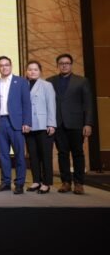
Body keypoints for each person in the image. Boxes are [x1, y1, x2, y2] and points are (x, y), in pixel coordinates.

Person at [47, 53, 93, 195]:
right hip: (58, 123)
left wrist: (88, 123)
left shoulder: (82, 81)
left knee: (78, 153)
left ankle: (79, 183)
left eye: (67, 63)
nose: (64, 65)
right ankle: (66, 182)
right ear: (58, 65)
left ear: (71, 65)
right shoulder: (50, 82)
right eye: (61, 63)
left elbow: (88, 104)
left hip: (76, 123)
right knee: (62, 154)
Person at [0, 55, 31, 194]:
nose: (4, 67)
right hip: (0, 122)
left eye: (7, 65)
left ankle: (20, 183)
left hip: (16, 123)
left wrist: (27, 122)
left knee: (19, 154)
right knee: (3, 154)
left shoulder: (21, 82)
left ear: (11, 66)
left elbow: (26, 103)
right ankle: (5, 182)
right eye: (1, 65)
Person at [25, 60, 56, 194]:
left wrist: (51, 123)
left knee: (45, 155)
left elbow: (51, 104)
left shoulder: (47, 85)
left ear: (40, 71)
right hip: (29, 126)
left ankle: (46, 182)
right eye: (30, 69)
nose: (32, 72)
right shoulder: (23, 85)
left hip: (43, 125)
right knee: (33, 155)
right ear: (26, 71)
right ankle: (36, 181)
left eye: (35, 69)